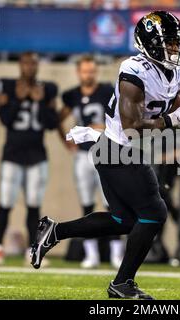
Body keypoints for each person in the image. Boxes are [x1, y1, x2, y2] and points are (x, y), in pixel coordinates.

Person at [30, 11, 180, 299]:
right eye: (168, 42)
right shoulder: (133, 71)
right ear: (150, 43)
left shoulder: (176, 68)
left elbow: (175, 107)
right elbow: (132, 127)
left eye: (176, 42)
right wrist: (175, 121)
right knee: (155, 213)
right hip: (116, 148)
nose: (174, 48)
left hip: (122, 150)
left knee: (125, 221)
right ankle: (122, 283)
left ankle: (54, 232)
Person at [0, 52, 59, 265]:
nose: (30, 68)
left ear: (38, 66)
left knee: (33, 205)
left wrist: (41, 102)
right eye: (26, 63)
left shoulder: (48, 89)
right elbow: (4, 118)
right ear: (20, 65)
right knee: (5, 202)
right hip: (12, 154)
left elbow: (51, 123)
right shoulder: (7, 85)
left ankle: (32, 249)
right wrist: (18, 100)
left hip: (37, 155)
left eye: (34, 64)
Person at [59, 55, 124, 269]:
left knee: (112, 205)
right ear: (78, 72)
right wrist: (66, 141)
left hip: (104, 153)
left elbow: (119, 118)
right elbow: (58, 119)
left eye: (91, 70)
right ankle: (91, 254)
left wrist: (104, 129)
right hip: (83, 156)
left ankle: (116, 254)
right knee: (86, 205)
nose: (88, 74)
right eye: (85, 71)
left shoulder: (106, 91)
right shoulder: (72, 95)